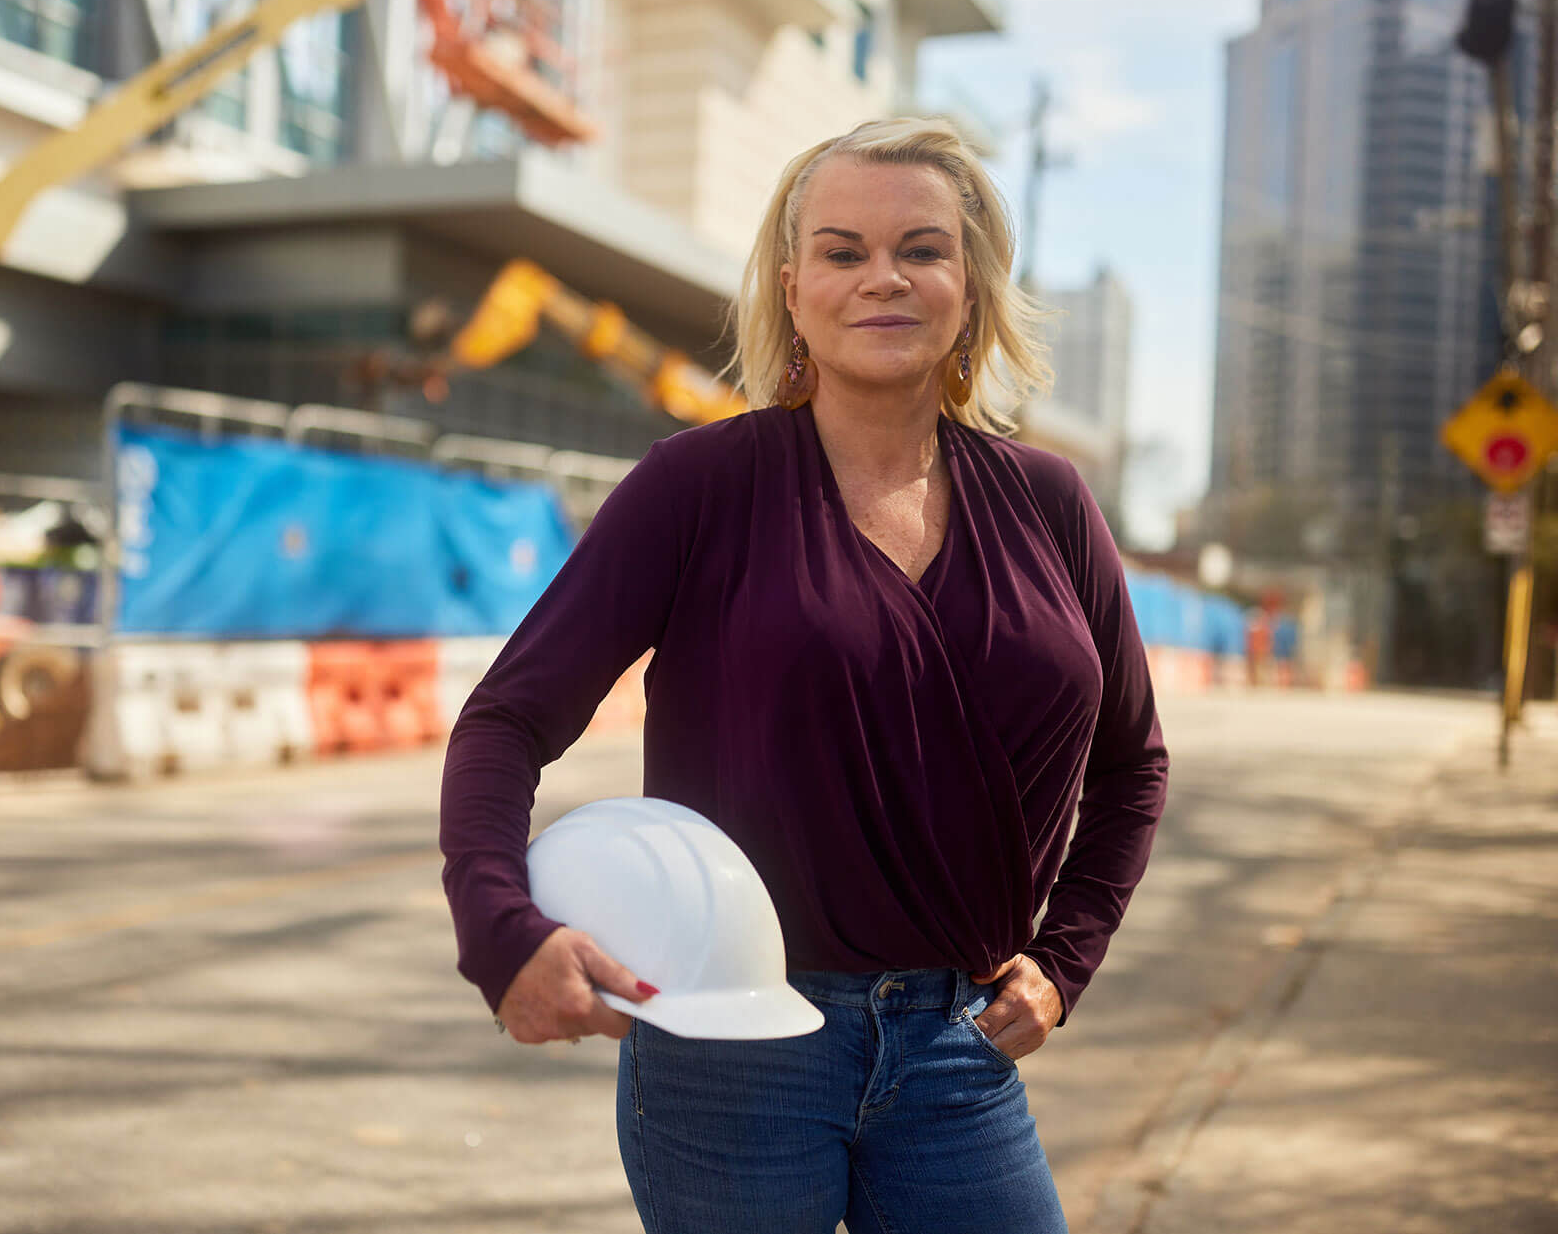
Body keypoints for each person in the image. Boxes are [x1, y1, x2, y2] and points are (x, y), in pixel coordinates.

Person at [439, 117, 1169, 1234]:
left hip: (959, 1048)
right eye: (842, 251)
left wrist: (1064, 961)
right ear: (792, 288)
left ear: (969, 285)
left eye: (921, 249)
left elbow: (1133, 766)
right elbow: (506, 720)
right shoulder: (698, 485)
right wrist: (503, 931)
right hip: (731, 1048)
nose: (883, 278)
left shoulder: (1053, 504)